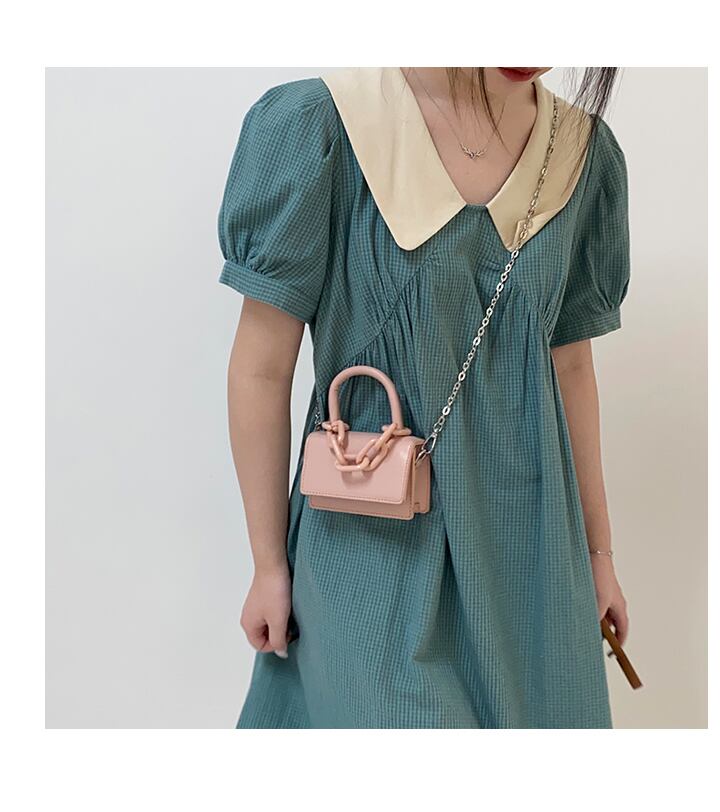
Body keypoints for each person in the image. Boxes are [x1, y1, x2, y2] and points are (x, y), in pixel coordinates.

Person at [218, 67, 631, 728]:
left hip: (531, 555)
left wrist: (598, 557)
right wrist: (269, 564)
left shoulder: (581, 152)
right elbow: (261, 369)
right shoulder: (327, 125)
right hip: (368, 547)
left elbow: (572, 367)